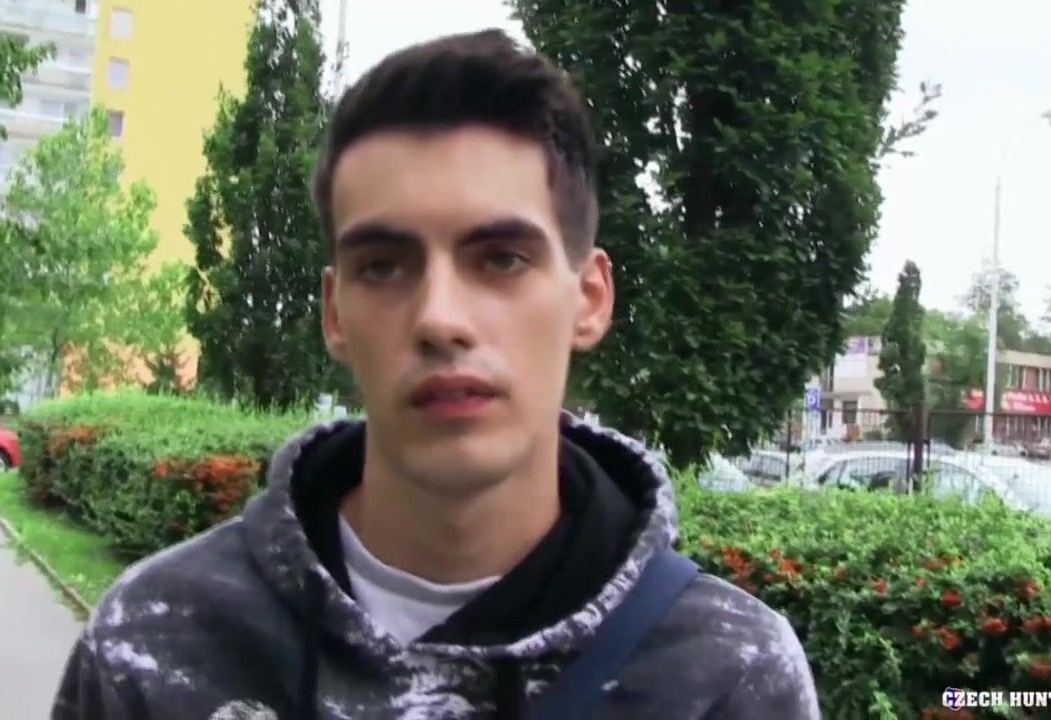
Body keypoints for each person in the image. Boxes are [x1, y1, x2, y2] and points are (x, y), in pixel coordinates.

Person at [51, 29, 820, 720]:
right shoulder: (154, 646)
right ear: (335, 314)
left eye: (501, 259)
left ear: (588, 299)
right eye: (384, 266)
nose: (439, 318)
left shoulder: (727, 676)